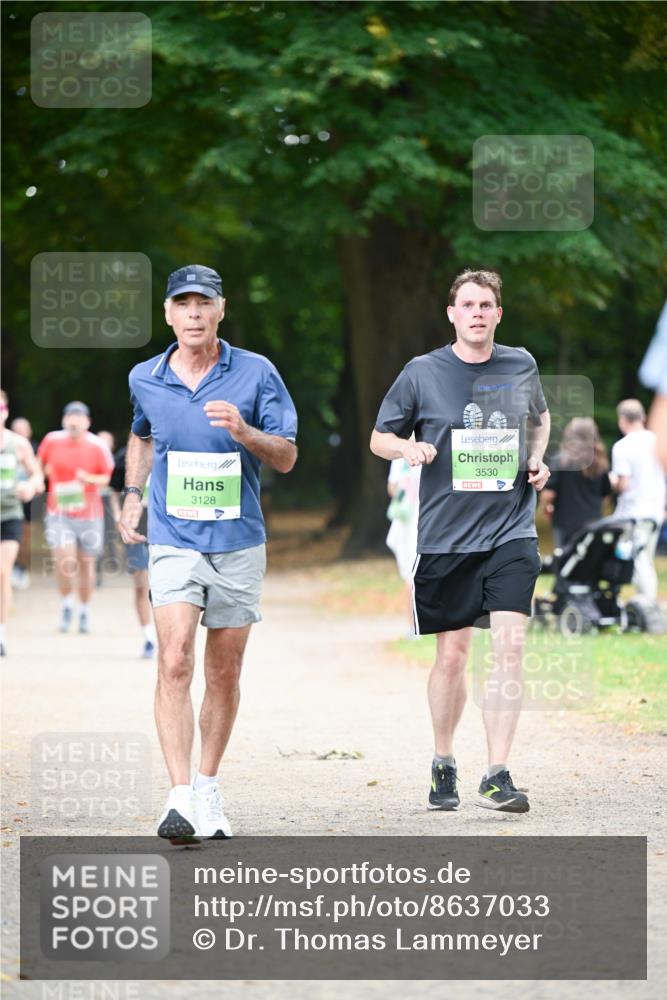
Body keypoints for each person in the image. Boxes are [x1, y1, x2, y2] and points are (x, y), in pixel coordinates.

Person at [118, 264, 297, 840]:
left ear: (222, 310)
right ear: (167, 314)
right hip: (174, 539)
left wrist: (246, 433)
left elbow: (288, 455)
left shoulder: (255, 372)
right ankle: (178, 799)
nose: (193, 313)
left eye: (204, 303)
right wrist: (131, 494)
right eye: (183, 304)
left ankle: (209, 787)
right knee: (173, 659)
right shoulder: (145, 376)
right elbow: (143, 433)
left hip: (239, 541)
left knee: (224, 670)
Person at [370, 269, 550, 814]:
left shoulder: (520, 364)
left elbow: (540, 421)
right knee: (452, 655)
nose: (476, 312)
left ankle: (497, 772)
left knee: (510, 645)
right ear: (451, 314)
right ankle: (444, 759)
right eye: (467, 304)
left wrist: (537, 459)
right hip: (447, 535)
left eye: (486, 304)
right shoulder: (422, 373)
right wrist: (408, 450)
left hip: (511, 529)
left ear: (499, 313)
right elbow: (380, 437)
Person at [37, 402, 114, 634]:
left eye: (79, 418)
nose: (74, 421)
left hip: (89, 514)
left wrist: (88, 478)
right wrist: (41, 477)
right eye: (70, 416)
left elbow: (108, 480)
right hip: (59, 511)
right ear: (63, 420)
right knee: (64, 560)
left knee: (86, 566)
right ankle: (67, 604)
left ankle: (84, 610)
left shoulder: (98, 446)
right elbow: (38, 466)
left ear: (87, 422)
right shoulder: (51, 440)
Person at [1, 391, 44, 656]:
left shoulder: (17, 444)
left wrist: (31, 485)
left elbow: (38, 474)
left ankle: (1, 633)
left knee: (2, 572)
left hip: (9, 514)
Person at [609, 399, 665, 603]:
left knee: (639, 561)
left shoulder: (622, 446)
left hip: (633, 513)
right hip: (655, 510)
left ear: (623, 420)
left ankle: (647, 606)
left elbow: (623, 484)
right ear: (643, 417)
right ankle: (643, 602)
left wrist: (612, 480)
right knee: (645, 558)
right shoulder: (657, 441)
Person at [109, 441, 156, 659]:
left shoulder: (174, 447)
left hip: (164, 523)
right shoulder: (124, 456)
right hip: (135, 522)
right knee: (141, 582)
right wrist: (119, 516)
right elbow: (113, 490)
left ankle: (167, 634)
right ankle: (148, 637)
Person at [540, 417, 611, 550]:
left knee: (566, 564)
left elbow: (548, 495)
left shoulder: (560, 461)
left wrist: (546, 511)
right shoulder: (601, 463)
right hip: (594, 523)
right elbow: (605, 497)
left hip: (565, 523)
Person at [385, 454, 421, 636]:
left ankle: (414, 626)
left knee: (411, 574)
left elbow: (392, 486)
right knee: (410, 575)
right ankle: (412, 626)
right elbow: (392, 487)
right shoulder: (402, 453)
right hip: (410, 521)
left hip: (418, 521)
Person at [9, 416, 37, 590]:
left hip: (27, 500)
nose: (20, 433)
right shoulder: (6, 445)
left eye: (23, 429)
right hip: (8, 499)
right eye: (16, 429)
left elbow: (40, 473)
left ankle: (22, 569)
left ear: (29, 431)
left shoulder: (33, 448)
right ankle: (10, 568)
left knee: (25, 537)